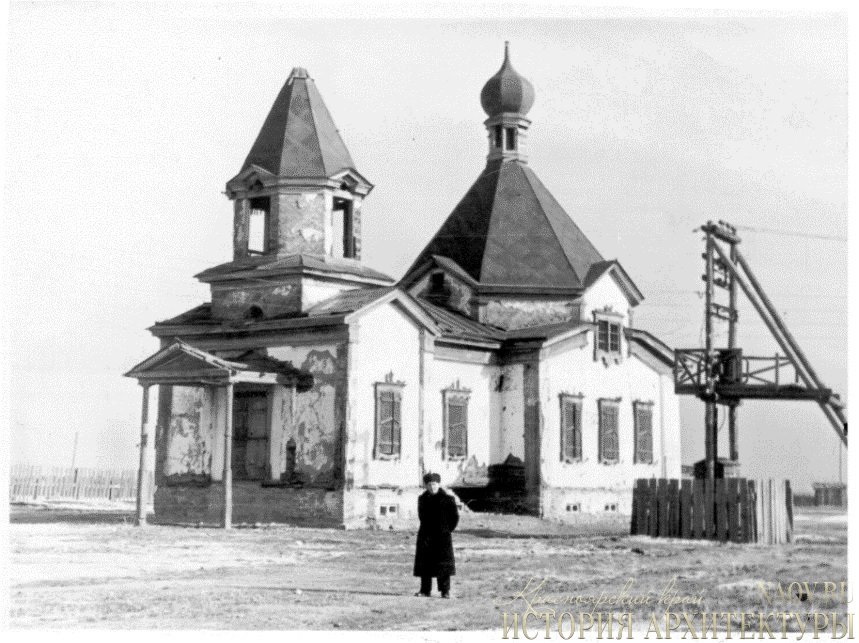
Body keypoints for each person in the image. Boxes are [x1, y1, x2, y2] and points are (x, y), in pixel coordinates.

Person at [413, 472, 459, 598]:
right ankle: (425, 590)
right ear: (426, 486)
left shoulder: (448, 499)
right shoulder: (422, 499)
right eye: (429, 485)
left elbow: (454, 518)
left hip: (442, 537)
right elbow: (421, 516)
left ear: (438, 484)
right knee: (425, 563)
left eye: (434, 484)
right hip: (426, 535)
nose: (432, 487)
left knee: (443, 565)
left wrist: (446, 530)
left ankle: (445, 591)